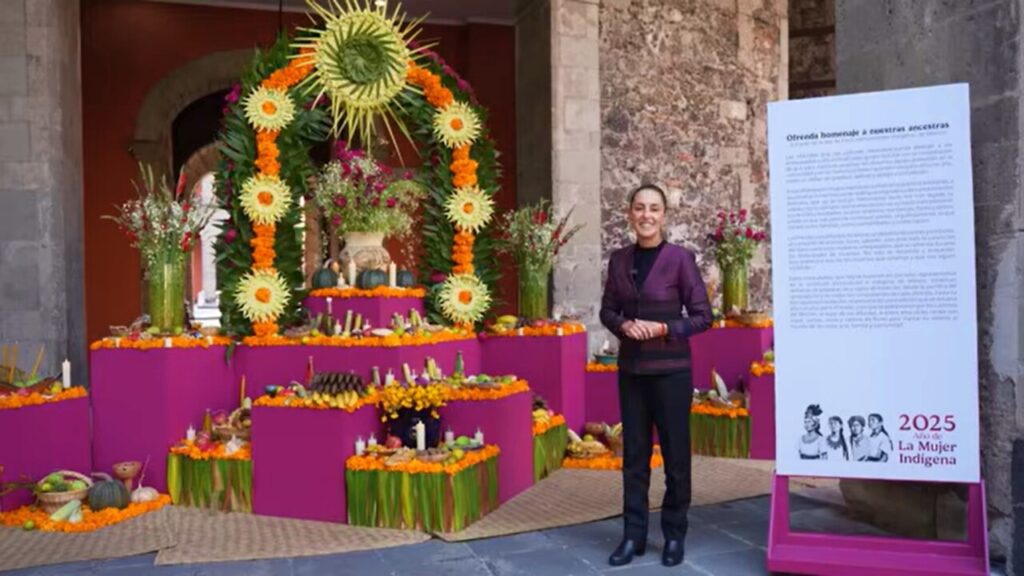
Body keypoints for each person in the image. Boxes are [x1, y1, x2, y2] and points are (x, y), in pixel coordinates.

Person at [599, 183, 713, 567]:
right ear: (630, 213)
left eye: (654, 208)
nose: (646, 215)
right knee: (634, 457)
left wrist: (664, 329)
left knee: (676, 458)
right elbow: (607, 311)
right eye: (639, 208)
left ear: (664, 215)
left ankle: (674, 535)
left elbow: (702, 317)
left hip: (671, 373)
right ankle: (633, 536)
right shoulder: (618, 260)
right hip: (632, 372)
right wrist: (624, 326)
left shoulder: (681, 259)